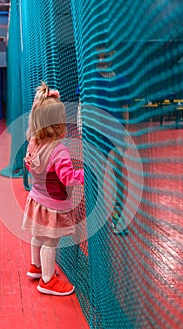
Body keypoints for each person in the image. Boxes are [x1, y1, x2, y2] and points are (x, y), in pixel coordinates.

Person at [22, 81, 84, 296]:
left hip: (36, 199)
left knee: (37, 234)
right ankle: (47, 281)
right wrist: (86, 175)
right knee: (51, 241)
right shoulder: (59, 151)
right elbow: (67, 178)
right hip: (53, 205)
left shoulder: (33, 142)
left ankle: (35, 267)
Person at [77, 42, 130, 235]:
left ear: (113, 53)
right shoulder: (89, 81)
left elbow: (125, 110)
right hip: (95, 137)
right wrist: (82, 130)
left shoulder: (121, 80)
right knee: (96, 177)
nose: (103, 58)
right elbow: (81, 108)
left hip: (115, 137)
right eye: (99, 55)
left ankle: (117, 215)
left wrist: (125, 136)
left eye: (106, 54)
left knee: (118, 176)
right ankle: (96, 216)